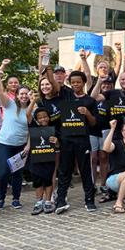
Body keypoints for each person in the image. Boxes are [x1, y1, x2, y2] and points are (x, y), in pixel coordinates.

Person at [53, 71, 98, 214]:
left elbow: (94, 123)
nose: (75, 84)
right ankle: (60, 200)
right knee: (64, 170)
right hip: (66, 140)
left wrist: (87, 113)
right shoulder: (65, 96)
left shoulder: (90, 101)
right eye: (73, 82)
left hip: (83, 140)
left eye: (78, 82)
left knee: (85, 170)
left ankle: (89, 200)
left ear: (84, 83)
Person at [0, 61, 31, 209]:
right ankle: (1, 197)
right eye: (21, 93)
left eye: (26, 94)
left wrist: (28, 145)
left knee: (17, 173)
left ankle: (16, 198)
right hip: (4, 144)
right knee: (3, 172)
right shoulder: (9, 104)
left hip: (20, 146)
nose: (24, 96)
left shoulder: (32, 109)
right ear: (16, 95)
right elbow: (0, 91)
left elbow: (31, 129)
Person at [28, 107, 59, 215]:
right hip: (36, 158)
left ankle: (48, 201)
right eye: (39, 118)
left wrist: (56, 141)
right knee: (37, 181)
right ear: (36, 119)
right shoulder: (34, 127)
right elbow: (28, 114)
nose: (43, 119)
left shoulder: (54, 128)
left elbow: (59, 145)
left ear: (49, 117)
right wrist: (32, 100)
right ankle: (39, 201)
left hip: (48, 158)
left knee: (48, 180)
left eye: (45, 116)